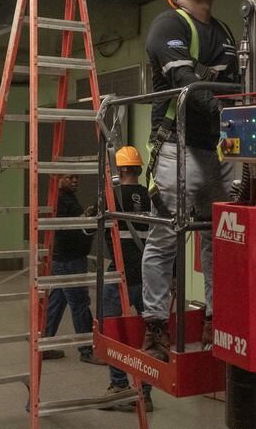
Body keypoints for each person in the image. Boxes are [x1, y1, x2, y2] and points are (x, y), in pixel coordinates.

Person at [141, 0, 238, 362]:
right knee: (166, 236)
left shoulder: (225, 32)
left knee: (221, 236)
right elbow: (184, 80)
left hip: (219, 146)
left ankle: (217, 319)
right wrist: (225, 112)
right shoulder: (168, 25)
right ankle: (155, 327)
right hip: (176, 145)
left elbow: (237, 83)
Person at [101, 146, 154, 412]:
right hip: (148, 276)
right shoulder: (152, 198)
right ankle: (145, 392)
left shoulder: (111, 197)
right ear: (138, 168)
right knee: (150, 334)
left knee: (115, 332)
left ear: (119, 170)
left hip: (120, 275)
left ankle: (119, 386)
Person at [42, 174, 106, 365]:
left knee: (57, 301)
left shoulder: (66, 198)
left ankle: (44, 344)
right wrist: (85, 219)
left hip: (64, 259)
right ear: (58, 179)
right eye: (70, 178)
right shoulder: (61, 200)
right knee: (80, 303)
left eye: (76, 177)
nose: (75, 180)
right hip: (69, 260)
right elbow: (68, 229)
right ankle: (87, 350)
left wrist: (84, 218)